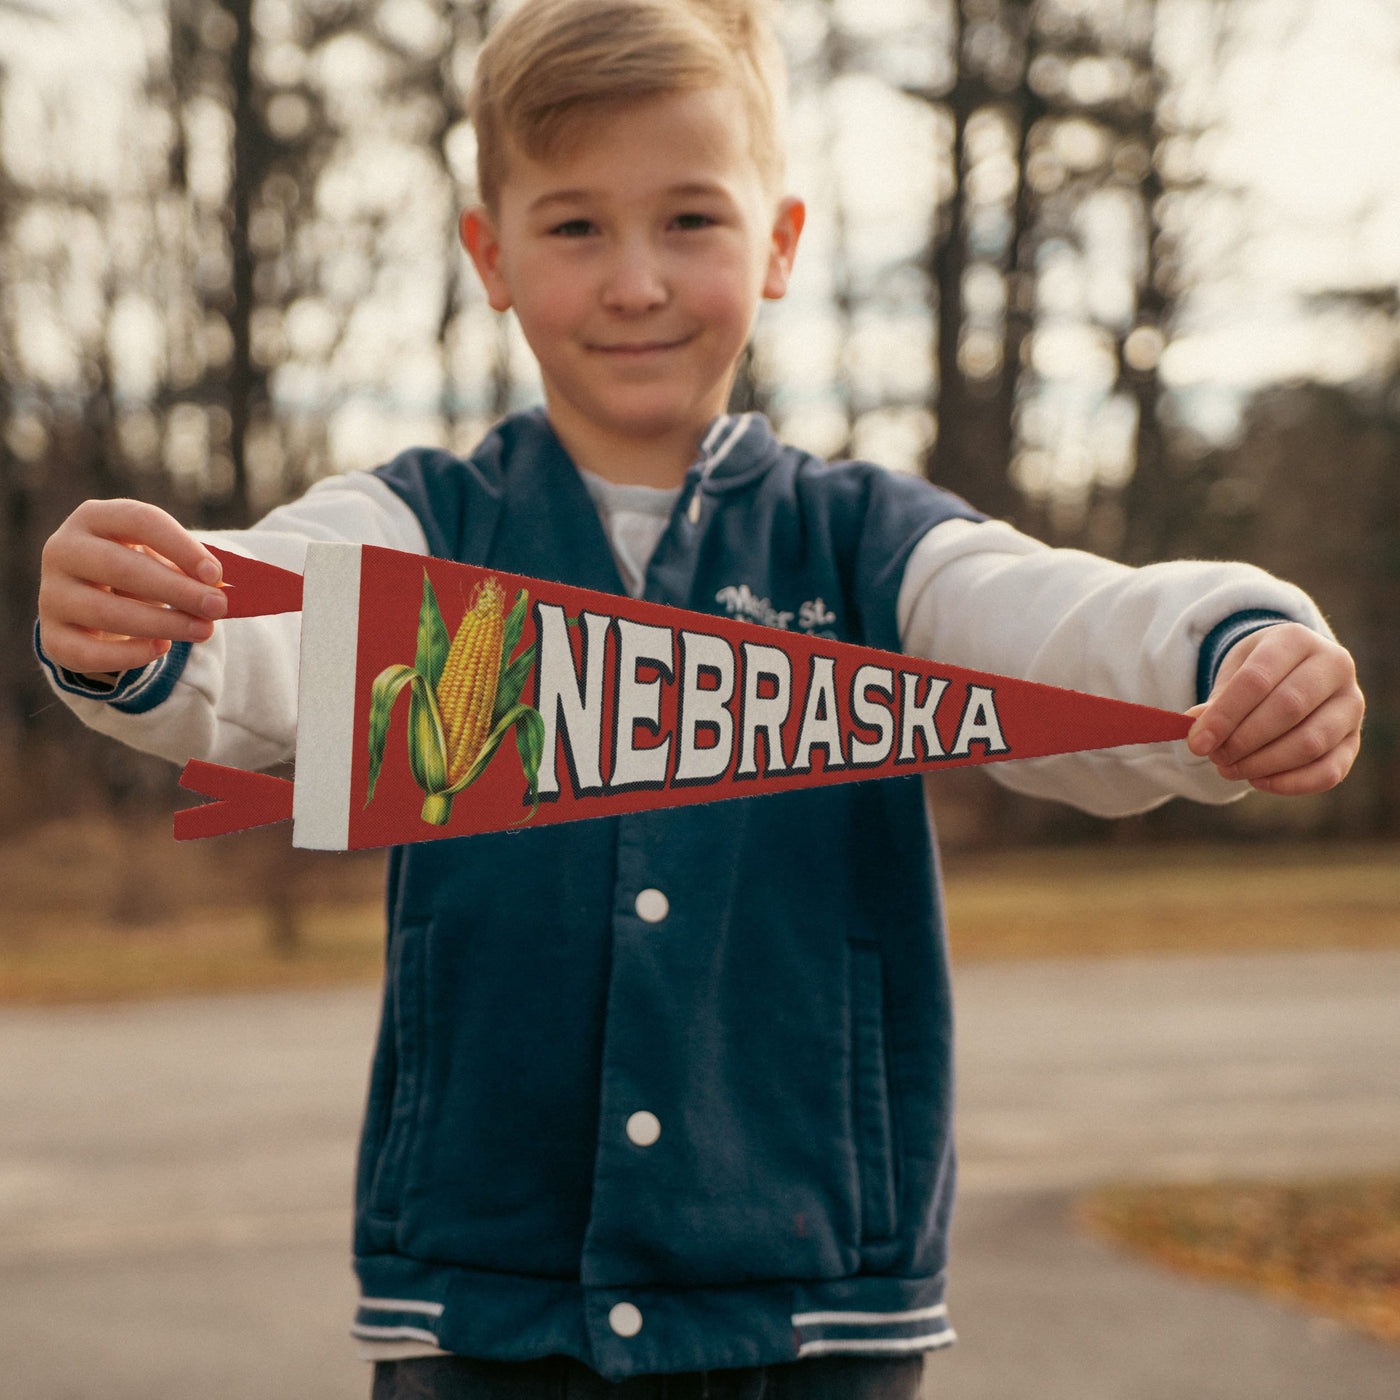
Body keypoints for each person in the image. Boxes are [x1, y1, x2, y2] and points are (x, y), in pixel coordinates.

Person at [36, 0, 1363, 1395]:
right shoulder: (426, 529)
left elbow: (1056, 624)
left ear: (778, 242)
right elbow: (264, 627)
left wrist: (1236, 644)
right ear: (488, 253)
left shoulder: (864, 544)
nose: (634, 282)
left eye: (688, 220)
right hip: (486, 1309)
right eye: (574, 227)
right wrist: (147, 617)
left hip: (813, 1312)